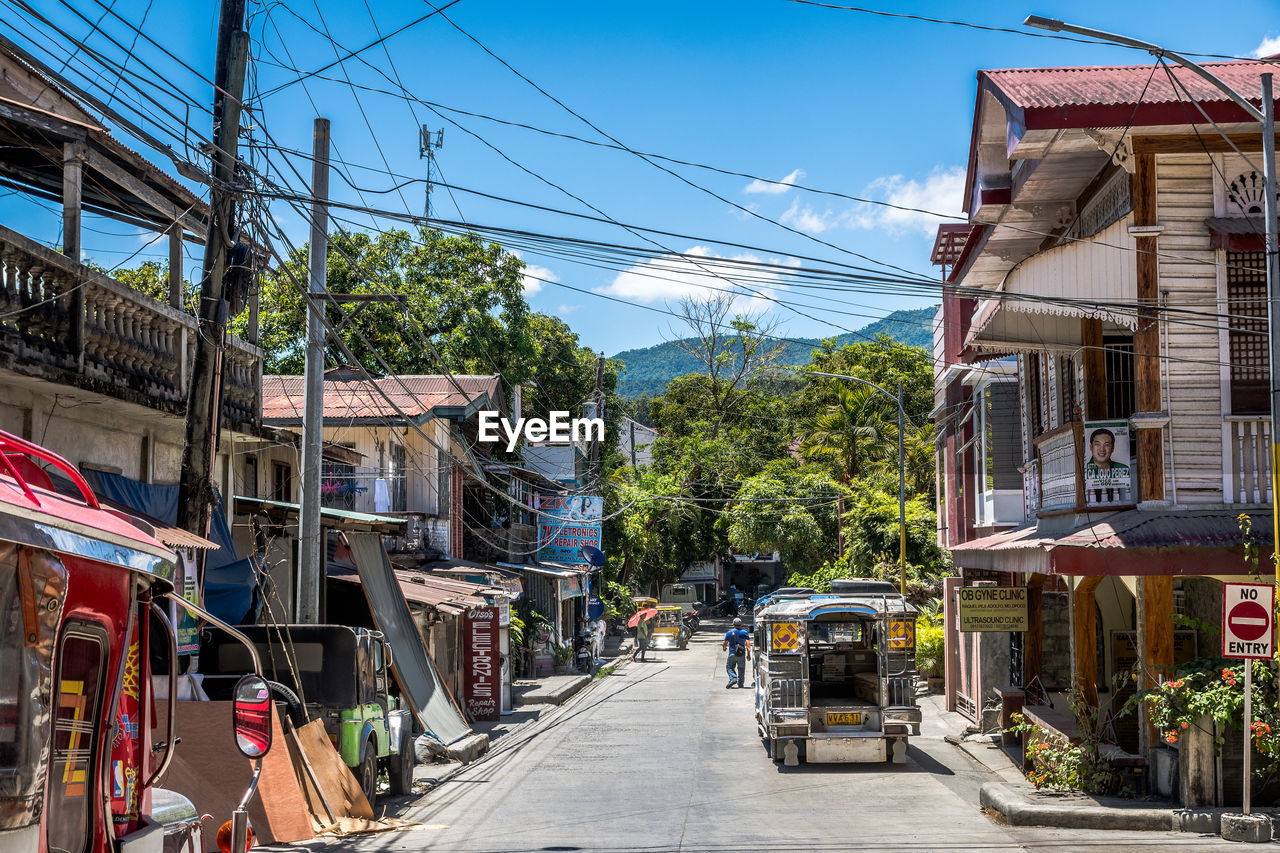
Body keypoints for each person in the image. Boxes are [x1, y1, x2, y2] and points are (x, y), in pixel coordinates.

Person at [722, 617, 751, 688]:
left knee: (729, 667)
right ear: (741, 624)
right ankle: (740, 684)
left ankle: (733, 678)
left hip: (732, 653)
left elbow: (725, 643)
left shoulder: (729, 633)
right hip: (741, 654)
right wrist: (748, 654)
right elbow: (748, 645)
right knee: (741, 668)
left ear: (733, 624)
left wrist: (724, 648)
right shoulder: (745, 633)